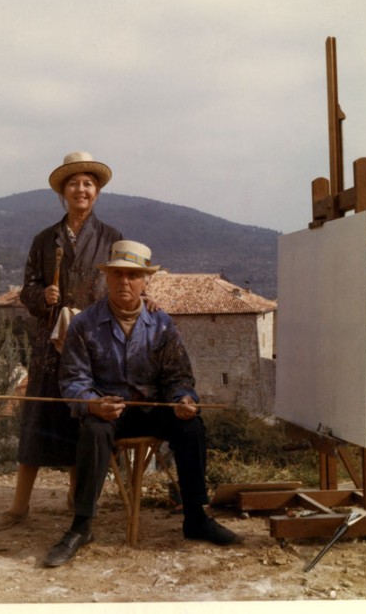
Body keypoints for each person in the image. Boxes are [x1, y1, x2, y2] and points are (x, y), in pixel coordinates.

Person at [43, 240, 243, 567]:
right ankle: (81, 527)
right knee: (93, 431)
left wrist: (183, 400)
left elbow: (178, 376)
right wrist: (93, 404)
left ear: (145, 281)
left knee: (191, 426)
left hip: (152, 411)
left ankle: (195, 517)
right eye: (118, 274)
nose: (125, 282)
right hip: (109, 413)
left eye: (133, 276)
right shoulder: (84, 325)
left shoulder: (161, 324)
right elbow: (73, 381)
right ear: (107, 278)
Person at [0, 151, 122, 531]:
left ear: (96, 192)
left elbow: (119, 285)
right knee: (38, 418)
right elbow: (26, 288)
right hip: (49, 346)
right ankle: (19, 506)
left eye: (88, 183)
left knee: (81, 419)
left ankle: (75, 496)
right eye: (74, 183)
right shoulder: (44, 240)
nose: (81, 189)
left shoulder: (112, 238)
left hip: (93, 345)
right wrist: (41, 297)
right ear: (62, 192)